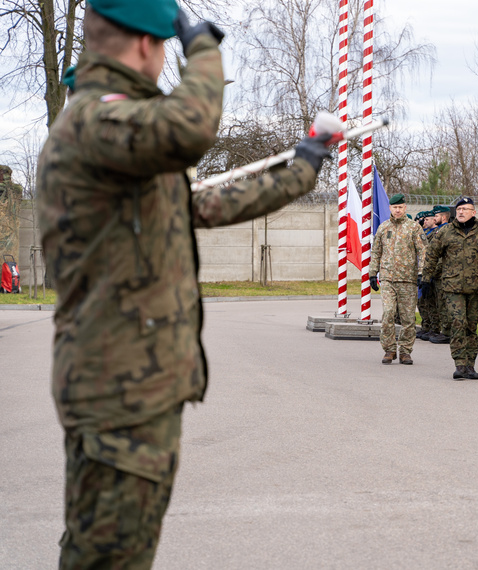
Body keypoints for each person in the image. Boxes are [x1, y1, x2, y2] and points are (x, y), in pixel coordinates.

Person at [35, 2, 338, 568]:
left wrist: (304, 166)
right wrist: (202, 46)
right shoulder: (96, 120)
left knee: (107, 552)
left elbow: (207, 204)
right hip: (120, 394)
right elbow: (190, 127)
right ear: (148, 47)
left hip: (131, 388)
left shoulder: (116, 145)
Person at [422, 197, 478, 380]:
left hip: (476, 288)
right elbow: (432, 255)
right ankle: (459, 364)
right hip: (452, 288)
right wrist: (426, 279)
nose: (461, 212)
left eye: (465, 209)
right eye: (458, 209)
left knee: (471, 327)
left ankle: (470, 365)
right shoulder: (445, 232)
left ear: (473, 212)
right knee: (458, 324)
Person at [368, 194, 427, 365]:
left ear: (405, 208)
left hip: (408, 279)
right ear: (390, 209)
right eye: (395, 207)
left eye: (401, 207)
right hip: (387, 278)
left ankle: (406, 351)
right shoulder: (383, 227)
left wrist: (422, 273)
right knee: (388, 314)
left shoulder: (414, 228)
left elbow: (423, 251)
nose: (398, 210)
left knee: (408, 317)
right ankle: (389, 349)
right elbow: (376, 252)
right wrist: (373, 273)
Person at [427, 205, 452, 344]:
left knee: (444, 304)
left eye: (436, 216)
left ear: (443, 217)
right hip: (437, 274)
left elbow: (441, 257)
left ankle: (446, 332)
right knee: (439, 303)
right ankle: (442, 330)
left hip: (443, 274)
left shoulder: (446, 231)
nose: (433, 218)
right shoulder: (439, 231)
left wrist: (432, 272)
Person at [416, 209, 439, 340]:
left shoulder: (437, 233)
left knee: (432, 302)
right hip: (423, 271)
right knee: (424, 302)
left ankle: (434, 327)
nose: (424, 222)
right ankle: (427, 326)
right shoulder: (426, 232)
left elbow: (429, 250)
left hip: (431, 271)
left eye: (427, 219)